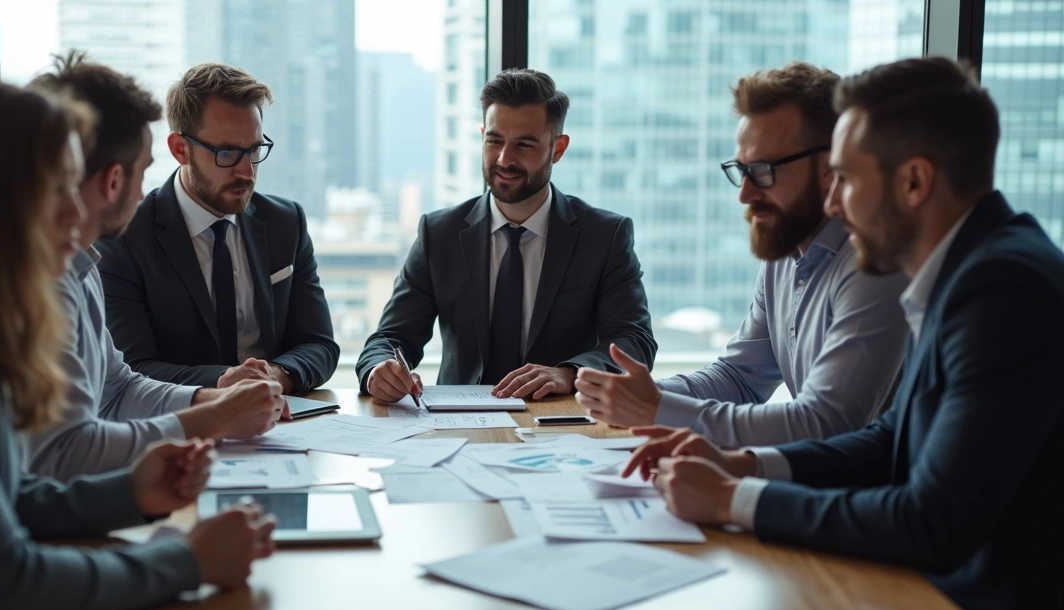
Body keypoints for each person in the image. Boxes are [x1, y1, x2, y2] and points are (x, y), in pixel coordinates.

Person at [622, 57, 1064, 610]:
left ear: (914, 182)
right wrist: (745, 464)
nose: (833, 207)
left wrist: (734, 500)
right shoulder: (969, 269)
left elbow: (930, 521)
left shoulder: (1002, 289)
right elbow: (892, 440)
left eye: (847, 180)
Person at [0, 78, 276, 610]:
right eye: (60, 189)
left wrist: (131, 493)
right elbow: (5, 586)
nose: (79, 216)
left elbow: (3, 498)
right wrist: (187, 561)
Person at [575, 62, 909, 448]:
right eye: (742, 170)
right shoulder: (783, 253)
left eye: (764, 170)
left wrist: (657, 408)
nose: (745, 194)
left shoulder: (872, 263)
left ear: (829, 167)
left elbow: (827, 423)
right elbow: (740, 378)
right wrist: (637, 392)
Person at [22, 53, 285, 480]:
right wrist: (213, 420)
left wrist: (211, 401)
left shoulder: (79, 267)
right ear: (112, 181)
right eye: (143, 173)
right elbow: (60, 455)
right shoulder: (37, 286)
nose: (145, 192)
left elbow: (118, 389)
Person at [357, 69, 656, 404]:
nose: (504, 159)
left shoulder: (604, 236)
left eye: (524, 145)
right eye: (494, 141)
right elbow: (391, 337)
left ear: (558, 149)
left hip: (560, 424)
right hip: (460, 424)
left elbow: (634, 340)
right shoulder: (438, 234)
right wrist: (379, 369)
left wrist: (569, 373)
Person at [97, 63, 338, 394]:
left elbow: (320, 344)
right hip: (181, 428)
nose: (246, 171)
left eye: (254, 150)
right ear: (180, 149)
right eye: (227, 153)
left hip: (280, 422)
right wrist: (223, 383)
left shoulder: (286, 221)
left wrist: (275, 375)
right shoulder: (124, 237)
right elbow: (131, 368)